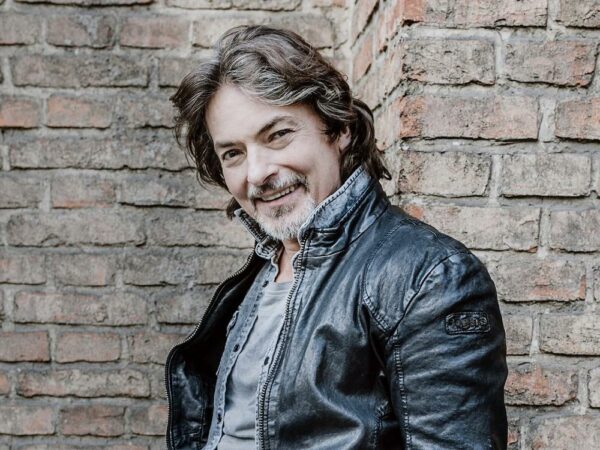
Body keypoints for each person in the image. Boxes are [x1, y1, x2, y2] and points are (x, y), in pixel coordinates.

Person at [165, 25, 508, 450]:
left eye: (278, 135)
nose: (257, 173)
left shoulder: (428, 277)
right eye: (233, 153)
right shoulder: (263, 270)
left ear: (338, 128)